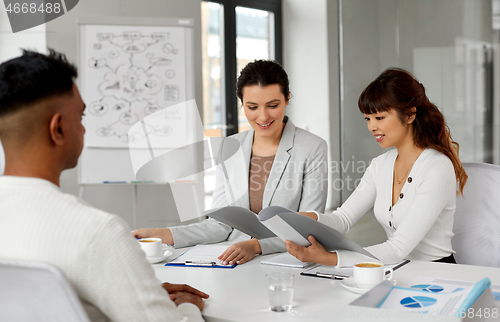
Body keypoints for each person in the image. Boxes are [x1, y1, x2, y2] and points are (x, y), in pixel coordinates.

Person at [0, 49, 209, 321]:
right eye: (81, 117)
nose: (84, 129)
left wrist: (138, 295)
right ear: (58, 129)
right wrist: (187, 306)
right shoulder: (97, 232)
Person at [134, 60, 328, 265]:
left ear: (287, 99)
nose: (263, 116)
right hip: (232, 260)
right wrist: (161, 233)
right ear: (242, 103)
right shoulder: (229, 146)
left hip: (287, 262)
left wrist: (257, 246)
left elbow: (308, 229)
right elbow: (220, 225)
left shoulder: (312, 147)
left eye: (273, 105)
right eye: (252, 107)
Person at [286, 67, 468, 267]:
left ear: (409, 115)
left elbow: (398, 248)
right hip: (397, 269)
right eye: (368, 118)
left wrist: (329, 258)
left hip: (437, 274)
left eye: (379, 118)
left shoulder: (437, 167)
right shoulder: (380, 165)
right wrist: (302, 219)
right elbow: (343, 219)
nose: (371, 126)